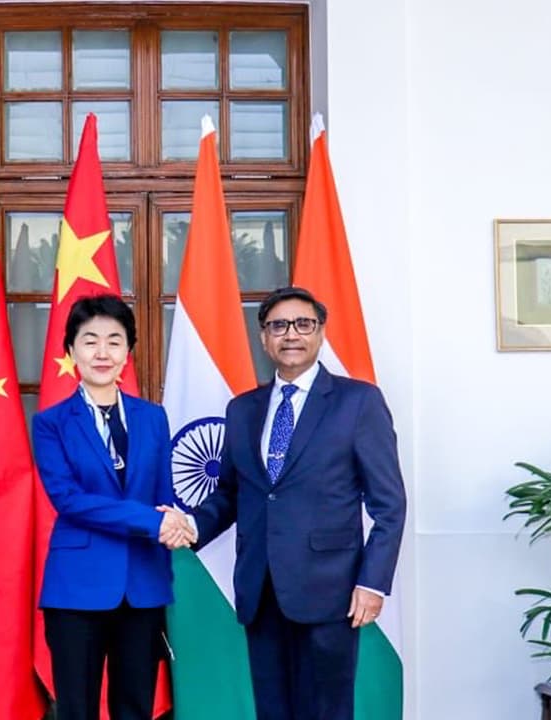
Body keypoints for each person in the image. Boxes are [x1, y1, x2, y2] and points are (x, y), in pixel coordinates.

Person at [164, 285, 407, 720]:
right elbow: (233, 493)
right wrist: (193, 525)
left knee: (327, 711)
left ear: (320, 332)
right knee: (273, 710)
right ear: (264, 338)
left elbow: (390, 504)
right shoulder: (243, 409)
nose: (291, 334)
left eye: (303, 324)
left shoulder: (358, 402)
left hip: (332, 592)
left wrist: (372, 583)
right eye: (278, 326)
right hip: (261, 590)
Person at [33, 293, 193, 720]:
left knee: (135, 707)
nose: (102, 352)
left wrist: (174, 523)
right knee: (77, 709)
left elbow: (162, 497)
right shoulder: (50, 423)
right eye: (90, 341)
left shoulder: (152, 418)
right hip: (76, 588)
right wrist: (152, 521)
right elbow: (70, 501)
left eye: (114, 341)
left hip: (143, 586)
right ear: (71, 350)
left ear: (128, 351)